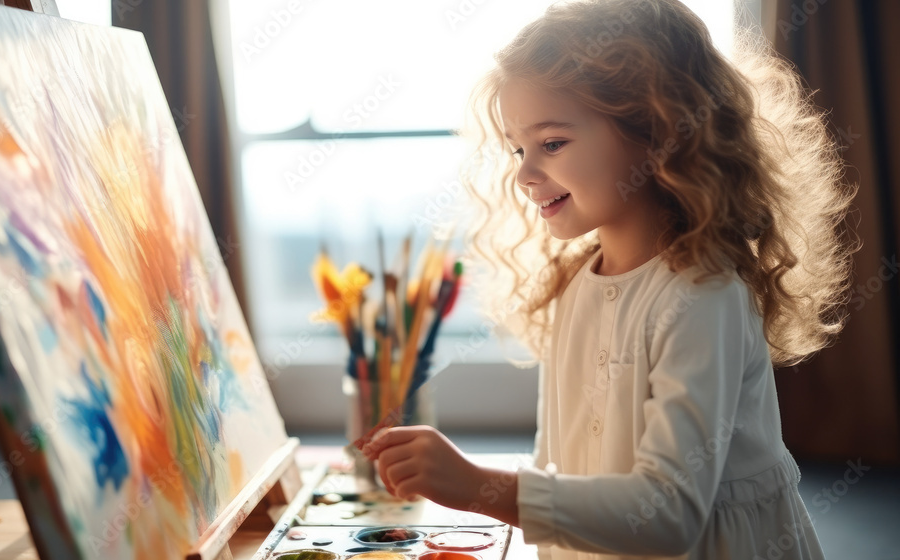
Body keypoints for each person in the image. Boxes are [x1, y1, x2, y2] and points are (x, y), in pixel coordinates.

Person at [361, 1, 859, 558]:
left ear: (656, 130)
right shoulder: (577, 285)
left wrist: (478, 487)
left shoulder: (703, 294)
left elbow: (667, 514)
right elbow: (562, 469)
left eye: (551, 143)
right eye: (517, 149)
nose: (524, 174)